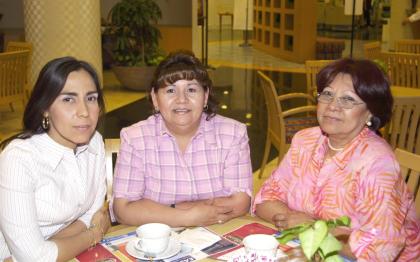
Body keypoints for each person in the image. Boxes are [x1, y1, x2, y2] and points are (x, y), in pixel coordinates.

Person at [254, 58, 420, 261]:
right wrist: (291, 219)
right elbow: (264, 200)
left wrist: (313, 228)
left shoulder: (377, 163)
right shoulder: (305, 141)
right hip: (310, 251)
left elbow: (380, 249)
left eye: (348, 99)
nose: (333, 106)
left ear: (370, 111)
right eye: (327, 94)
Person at [112, 50, 253, 227]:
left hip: (218, 233)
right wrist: (187, 217)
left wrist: (166, 209)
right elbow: (123, 209)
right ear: (155, 99)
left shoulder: (233, 134)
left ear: (206, 96)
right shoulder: (135, 138)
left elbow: (240, 202)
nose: (181, 100)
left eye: (191, 89)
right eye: (170, 90)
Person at [0, 57, 111, 261]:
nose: (84, 112)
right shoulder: (19, 159)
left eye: (91, 98)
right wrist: (94, 234)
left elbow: (93, 214)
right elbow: (33, 257)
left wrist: (47, 246)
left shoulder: (94, 142)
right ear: (45, 107)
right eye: (68, 99)